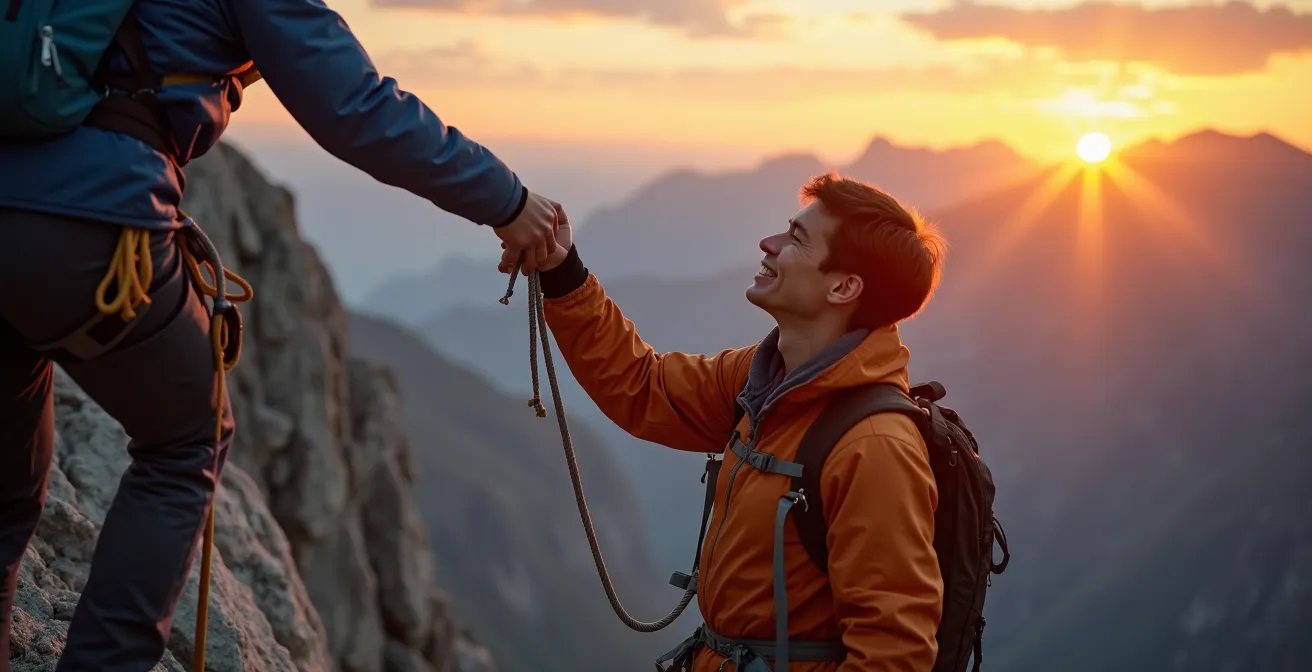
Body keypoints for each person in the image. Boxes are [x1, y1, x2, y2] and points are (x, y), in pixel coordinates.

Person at [0, 0, 560, 669]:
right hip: (91, 234)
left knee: (7, 479)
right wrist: (509, 202)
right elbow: (356, 108)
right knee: (185, 441)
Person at [510, 172, 948, 671]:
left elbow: (894, 654)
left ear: (844, 286)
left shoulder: (874, 447)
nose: (769, 243)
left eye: (796, 239)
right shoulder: (761, 381)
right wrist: (562, 268)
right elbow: (644, 387)